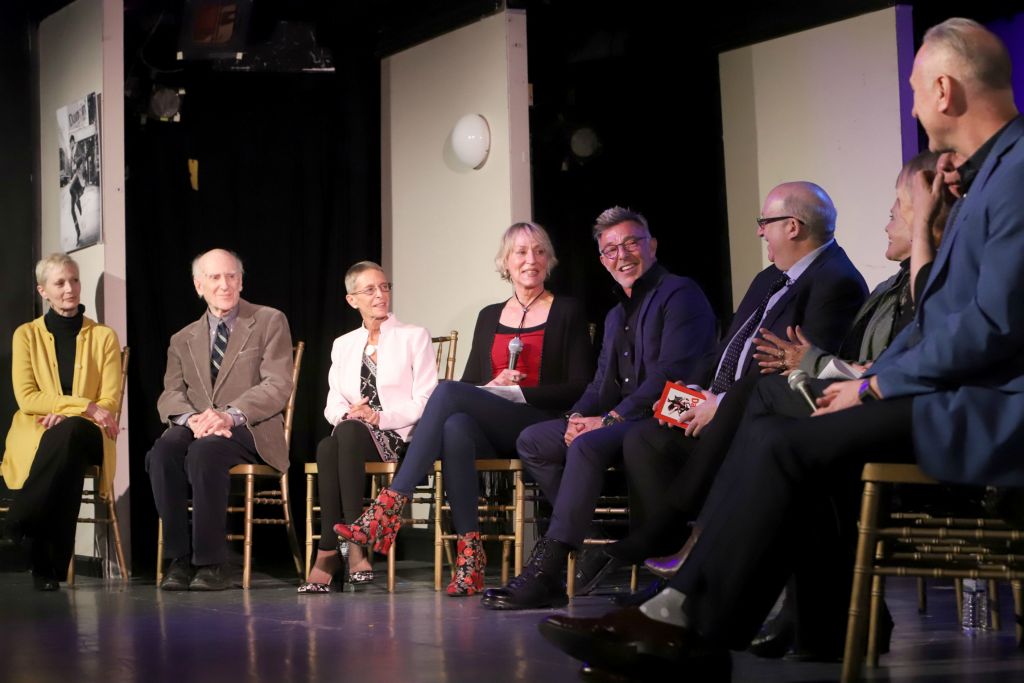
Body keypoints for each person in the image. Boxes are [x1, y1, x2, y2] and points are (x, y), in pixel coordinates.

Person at [537, 18, 1024, 679]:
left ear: (943, 90)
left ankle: (689, 621)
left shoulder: (1016, 172)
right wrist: (873, 372)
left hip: (984, 410)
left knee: (784, 438)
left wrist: (874, 384)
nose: (912, 106)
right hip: (948, 392)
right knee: (768, 416)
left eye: (912, 91)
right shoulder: (986, 179)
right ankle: (686, 614)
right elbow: (937, 319)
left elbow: (993, 327)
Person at [609, 155, 939, 579]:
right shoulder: (771, 278)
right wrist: (697, 391)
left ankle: (693, 561)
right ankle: (668, 568)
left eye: (765, 221)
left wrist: (722, 405)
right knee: (644, 438)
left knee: (760, 417)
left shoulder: (835, 281)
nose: (760, 230)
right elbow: (728, 350)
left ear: (793, 226)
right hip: (736, 405)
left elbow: (807, 367)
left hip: (790, 411)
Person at [478, 206, 719, 610]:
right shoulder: (613, 315)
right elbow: (600, 383)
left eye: (631, 243)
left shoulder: (680, 293)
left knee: (589, 445)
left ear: (652, 245)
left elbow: (669, 376)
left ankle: (547, 572)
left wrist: (608, 419)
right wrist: (575, 418)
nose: (622, 255)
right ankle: (589, 539)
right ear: (602, 260)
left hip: (665, 418)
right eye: (610, 249)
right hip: (622, 420)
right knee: (535, 439)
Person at [334, 222, 594, 596]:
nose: (530, 260)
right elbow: (471, 384)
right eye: (520, 252)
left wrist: (521, 392)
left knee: (446, 393)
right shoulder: (490, 315)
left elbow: (580, 386)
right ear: (506, 262)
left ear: (548, 260)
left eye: (538, 251)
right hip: (496, 426)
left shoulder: (566, 310)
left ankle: (391, 504)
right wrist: (495, 385)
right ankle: (469, 558)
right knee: (455, 424)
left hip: (540, 422)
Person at [147, 248, 293, 591]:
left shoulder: (269, 320)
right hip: (199, 425)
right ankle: (180, 559)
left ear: (241, 281)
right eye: (215, 278)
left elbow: (278, 383)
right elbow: (170, 394)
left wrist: (228, 416)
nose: (224, 285)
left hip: (250, 428)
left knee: (205, 452)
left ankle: (213, 562)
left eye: (231, 276)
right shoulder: (181, 339)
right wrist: (192, 419)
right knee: (164, 450)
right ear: (199, 286)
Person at [301, 261, 437, 593]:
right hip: (354, 434)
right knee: (328, 444)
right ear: (352, 300)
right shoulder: (343, 344)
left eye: (384, 287)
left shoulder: (412, 337)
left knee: (341, 438)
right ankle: (345, 547)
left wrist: (378, 417)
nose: (380, 295)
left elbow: (426, 400)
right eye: (370, 290)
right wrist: (348, 415)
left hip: (398, 435)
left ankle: (335, 550)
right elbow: (332, 402)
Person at [1, 253, 121, 591]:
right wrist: (81, 406)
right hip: (43, 431)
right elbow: (27, 398)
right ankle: (48, 569)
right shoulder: (25, 335)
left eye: (74, 280)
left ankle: (18, 519)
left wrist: (76, 414)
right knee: (65, 452)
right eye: (60, 283)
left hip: (91, 433)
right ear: (43, 291)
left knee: (69, 434)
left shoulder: (104, 337)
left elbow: (109, 403)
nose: (70, 288)